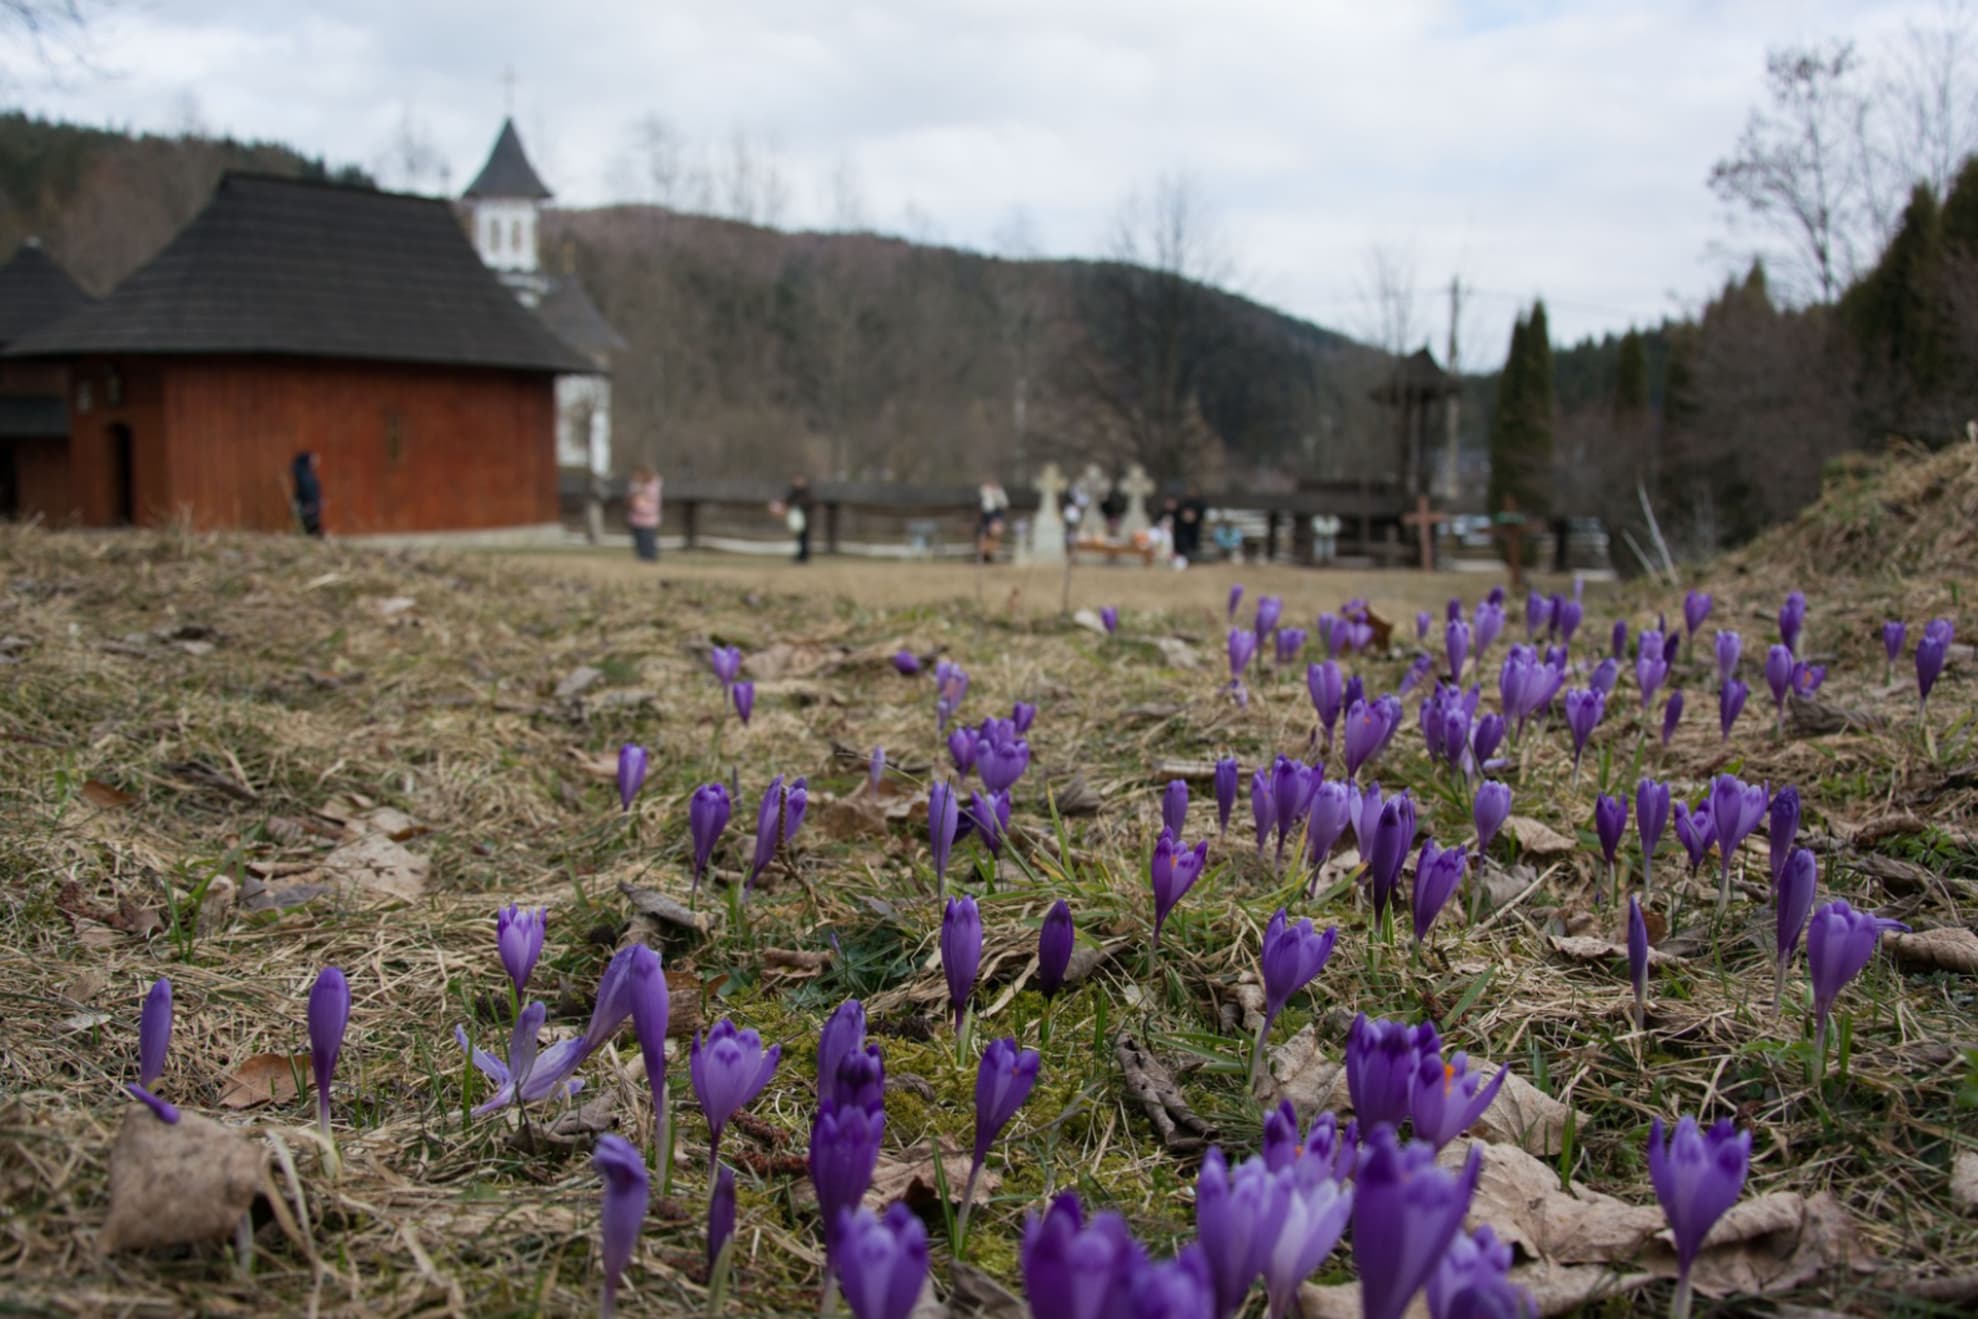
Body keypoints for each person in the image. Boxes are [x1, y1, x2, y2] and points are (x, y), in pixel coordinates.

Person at [773, 473, 816, 563]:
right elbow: (787, 501)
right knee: (799, 539)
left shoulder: (806, 492)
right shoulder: (793, 492)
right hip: (797, 520)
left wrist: (796, 505)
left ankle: (804, 556)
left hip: (806, 520)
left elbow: (808, 503)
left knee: (804, 539)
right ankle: (800, 556)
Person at [626, 465, 662, 562]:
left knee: (648, 542)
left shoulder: (652, 487)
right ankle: (642, 558)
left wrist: (641, 506)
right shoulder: (635, 486)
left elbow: (653, 504)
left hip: (649, 520)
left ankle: (650, 559)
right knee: (640, 542)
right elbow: (631, 500)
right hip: (636, 519)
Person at [976, 476, 1009, 563]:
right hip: (987, 516)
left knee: (994, 536)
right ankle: (985, 555)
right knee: (985, 536)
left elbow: (1004, 504)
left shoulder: (999, 492)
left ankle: (990, 554)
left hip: (996, 515)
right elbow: (983, 505)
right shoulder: (985, 491)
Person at [290, 451, 323, 537]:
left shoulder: (306, 474)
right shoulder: (304, 476)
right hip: (308, 507)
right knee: (311, 528)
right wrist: (311, 503)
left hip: (310, 505)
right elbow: (307, 491)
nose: (316, 463)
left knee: (310, 528)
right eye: (313, 460)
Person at [1175, 485, 1208, 561]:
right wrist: (1185, 516)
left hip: (1195, 526)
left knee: (1194, 543)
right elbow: (1179, 512)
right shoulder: (1184, 502)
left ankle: (1193, 557)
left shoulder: (1200, 503)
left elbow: (1202, 513)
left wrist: (1194, 516)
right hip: (1184, 527)